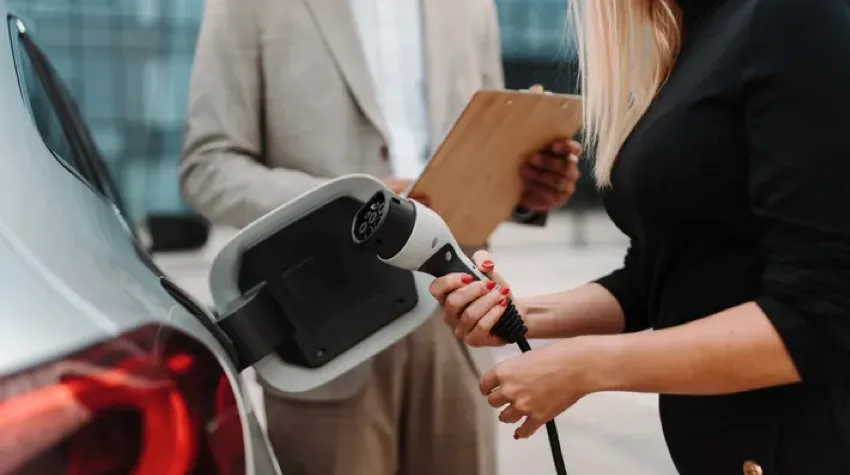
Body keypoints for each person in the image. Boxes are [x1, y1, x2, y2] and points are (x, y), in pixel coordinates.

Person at [429, 0, 850, 474]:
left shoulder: (796, 16)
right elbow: (661, 273)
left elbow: (822, 316)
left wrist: (587, 366)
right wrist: (518, 314)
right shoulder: (693, 35)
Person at [179, 0, 582, 474]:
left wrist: (526, 191)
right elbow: (207, 166)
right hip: (327, 328)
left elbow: (487, 146)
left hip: (455, 321)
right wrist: (351, 203)